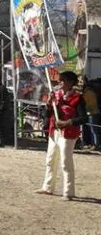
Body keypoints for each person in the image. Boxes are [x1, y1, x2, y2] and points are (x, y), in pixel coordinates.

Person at [35, 71, 88, 201]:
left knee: (65, 162)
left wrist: (67, 122)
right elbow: (48, 115)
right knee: (50, 159)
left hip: (68, 134)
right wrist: (49, 103)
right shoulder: (55, 96)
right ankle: (47, 187)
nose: (59, 83)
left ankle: (68, 192)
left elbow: (83, 118)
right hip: (55, 132)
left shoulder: (78, 98)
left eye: (62, 81)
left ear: (70, 83)